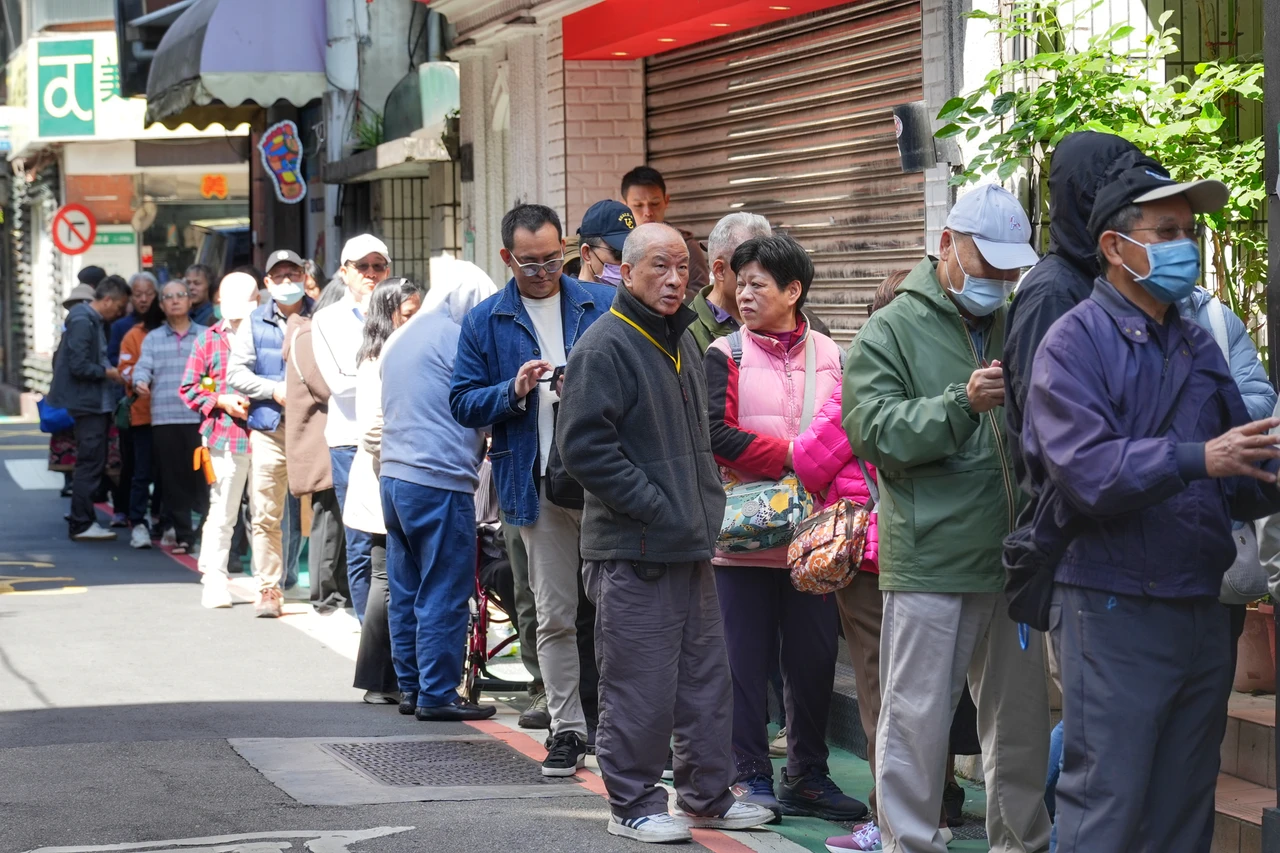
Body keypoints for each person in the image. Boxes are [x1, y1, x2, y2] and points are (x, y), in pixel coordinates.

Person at [1020, 158, 1280, 853]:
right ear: (1114, 245)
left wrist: (1266, 465)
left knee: (1185, 806)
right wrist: (1199, 457)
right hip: (1112, 603)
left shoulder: (1196, 342)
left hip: (1200, 601)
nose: (1184, 246)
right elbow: (1086, 471)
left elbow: (1243, 469)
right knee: (1108, 800)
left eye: (1190, 232)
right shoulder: (1073, 342)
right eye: (1166, 231)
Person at [843, 183, 1050, 853]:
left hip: (1014, 554)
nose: (999, 282)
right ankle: (907, 842)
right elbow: (872, 430)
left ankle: (1022, 843)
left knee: (1019, 724)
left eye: (1009, 271)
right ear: (945, 246)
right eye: (987, 265)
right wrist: (960, 403)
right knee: (916, 720)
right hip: (932, 555)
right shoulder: (890, 328)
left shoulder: (1018, 319)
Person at [556, 222, 774, 843]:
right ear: (625, 273)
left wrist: (696, 511)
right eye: (659, 266)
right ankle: (631, 804)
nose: (676, 279)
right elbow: (585, 449)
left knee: (706, 683)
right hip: (636, 549)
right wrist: (655, 506)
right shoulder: (605, 345)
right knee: (639, 688)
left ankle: (707, 796)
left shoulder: (680, 340)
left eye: (683, 267)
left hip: (689, 543)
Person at [702, 233, 864, 822]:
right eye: (740, 283)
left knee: (813, 662)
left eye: (758, 284)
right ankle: (749, 775)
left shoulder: (834, 354)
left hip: (815, 543)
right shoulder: (724, 353)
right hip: (742, 542)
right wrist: (794, 456)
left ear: (793, 291)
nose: (743, 294)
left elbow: (852, 430)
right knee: (742, 665)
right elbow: (714, 433)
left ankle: (808, 775)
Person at [450, 203, 610, 775]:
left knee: (617, 612)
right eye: (529, 263)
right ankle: (567, 729)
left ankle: (622, 727)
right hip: (534, 481)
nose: (543, 272)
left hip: (605, 483)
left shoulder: (602, 305)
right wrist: (512, 391)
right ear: (506, 258)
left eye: (552, 259)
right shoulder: (486, 320)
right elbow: (462, 401)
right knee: (554, 614)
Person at [385, 262, 496, 720]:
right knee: (445, 589)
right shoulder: (455, 338)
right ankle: (437, 694)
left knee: (407, 589)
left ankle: (411, 687)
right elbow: (484, 407)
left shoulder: (403, 336)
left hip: (394, 478)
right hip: (439, 479)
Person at [227, 248, 316, 618]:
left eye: (292, 274)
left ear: (304, 277)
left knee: (324, 511)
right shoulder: (254, 321)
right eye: (279, 275)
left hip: (314, 429)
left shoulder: (321, 315)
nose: (287, 281)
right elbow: (236, 372)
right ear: (267, 282)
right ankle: (268, 587)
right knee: (265, 511)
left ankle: (330, 588)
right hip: (270, 427)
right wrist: (273, 389)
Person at [345, 277, 422, 704]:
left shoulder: (396, 352)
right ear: (388, 315)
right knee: (386, 582)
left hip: (390, 479)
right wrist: (412, 451)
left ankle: (386, 678)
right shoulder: (378, 359)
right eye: (408, 315)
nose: (415, 322)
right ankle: (379, 680)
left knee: (390, 580)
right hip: (384, 481)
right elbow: (373, 430)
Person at [313, 234, 391, 625]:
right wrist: (392, 376)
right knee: (361, 541)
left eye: (378, 266)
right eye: (362, 267)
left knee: (395, 540)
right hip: (350, 441)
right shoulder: (327, 319)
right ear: (344, 272)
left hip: (397, 440)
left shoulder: (402, 311)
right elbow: (339, 383)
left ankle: (396, 632)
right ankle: (369, 633)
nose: (371, 274)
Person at [180, 272, 256, 606]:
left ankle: (268, 582)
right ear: (219, 302)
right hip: (224, 436)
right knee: (223, 510)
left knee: (266, 515)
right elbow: (189, 388)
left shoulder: (269, 335)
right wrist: (221, 400)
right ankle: (214, 577)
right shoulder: (208, 340)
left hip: (267, 435)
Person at [48, 275, 130, 541]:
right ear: (107, 300)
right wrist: (109, 373)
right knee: (90, 461)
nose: (119, 313)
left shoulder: (88, 319)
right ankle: (81, 522)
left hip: (92, 401)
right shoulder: (84, 320)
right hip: (88, 403)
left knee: (91, 460)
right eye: (119, 307)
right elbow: (79, 365)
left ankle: (82, 519)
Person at [131, 281, 208, 555]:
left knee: (204, 480)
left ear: (190, 301)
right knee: (173, 482)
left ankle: (205, 534)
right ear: (161, 305)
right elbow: (142, 368)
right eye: (168, 297)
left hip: (200, 418)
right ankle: (184, 536)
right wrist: (140, 381)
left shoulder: (205, 335)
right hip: (164, 419)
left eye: (180, 295)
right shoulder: (153, 338)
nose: (175, 301)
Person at [284, 296, 349, 616]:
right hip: (323, 441)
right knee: (328, 520)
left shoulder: (308, 333)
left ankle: (337, 591)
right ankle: (325, 594)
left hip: (329, 439)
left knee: (337, 520)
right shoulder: (310, 336)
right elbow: (328, 388)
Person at [119, 296, 168, 548]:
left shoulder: (188, 334)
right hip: (142, 414)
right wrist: (141, 380)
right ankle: (138, 521)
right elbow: (125, 369)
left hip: (173, 416)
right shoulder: (134, 335)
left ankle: (164, 520)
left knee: (168, 473)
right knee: (142, 471)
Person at [688, 213, 773, 353]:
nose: (765, 277)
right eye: (750, 267)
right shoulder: (688, 332)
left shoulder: (778, 316)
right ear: (720, 270)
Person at [621, 166, 709, 293]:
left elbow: (700, 294)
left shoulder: (686, 245)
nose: (648, 212)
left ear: (666, 201)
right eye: (638, 205)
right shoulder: (617, 246)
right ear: (624, 206)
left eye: (654, 203)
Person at [576, 200, 634, 285]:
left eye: (631, 254)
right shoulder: (566, 292)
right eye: (618, 254)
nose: (625, 263)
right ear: (587, 253)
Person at [109, 273, 158, 367]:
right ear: (130, 297)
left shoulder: (165, 324)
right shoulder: (119, 326)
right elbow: (112, 358)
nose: (144, 299)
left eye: (149, 294)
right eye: (138, 295)